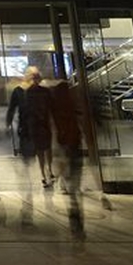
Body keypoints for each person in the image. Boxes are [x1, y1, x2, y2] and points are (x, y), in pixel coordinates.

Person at [50, 80, 85, 240]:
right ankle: (75, 209)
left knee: (71, 184)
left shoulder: (57, 112)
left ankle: (74, 209)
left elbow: (54, 130)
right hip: (74, 149)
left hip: (65, 149)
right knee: (74, 185)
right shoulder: (73, 110)